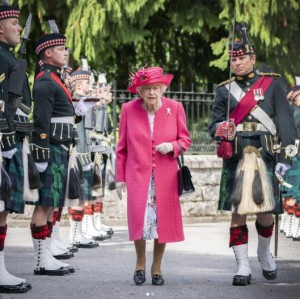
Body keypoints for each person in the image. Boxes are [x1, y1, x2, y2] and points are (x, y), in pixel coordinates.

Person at [209, 34, 297, 286]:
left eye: (242, 58)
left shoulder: (272, 85)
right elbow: (212, 126)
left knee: (266, 211)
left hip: (266, 154)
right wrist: (219, 129)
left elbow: (286, 124)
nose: (237, 63)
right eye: (234, 59)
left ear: (252, 58)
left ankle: (263, 252)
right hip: (237, 156)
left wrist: (286, 156)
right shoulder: (224, 90)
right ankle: (243, 265)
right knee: (238, 212)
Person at [116, 66, 191, 286]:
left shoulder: (175, 108)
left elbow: (185, 140)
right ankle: (140, 263)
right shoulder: (128, 109)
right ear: (139, 91)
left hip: (166, 177)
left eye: (156, 88)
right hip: (138, 176)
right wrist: (120, 178)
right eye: (147, 88)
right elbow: (121, 149)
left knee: (162, 223)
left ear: (162, 89)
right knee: (140, 220)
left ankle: (156, 268)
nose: (151, 93)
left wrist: (173, 146)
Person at [29, 32, 78, 275]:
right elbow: (41, 121)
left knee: (52, 204)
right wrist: (40, 153)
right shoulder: (45, 81)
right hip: (50, 148)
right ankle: (40, 260)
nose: (65, 52)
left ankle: (47, 255)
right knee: (43, 204)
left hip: (60, 147)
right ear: (48, 53)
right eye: (61, 49)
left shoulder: (56, 79)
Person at [0, 3, 32, 293]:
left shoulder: (8, 57)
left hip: (7, 138)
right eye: (13, 23)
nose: (19, 28)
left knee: (2, 207)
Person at [280, 86, 300, 240]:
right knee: (291, 192)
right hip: (292, 152)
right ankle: (290, 223)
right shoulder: (289, 112)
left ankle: (294, 223)